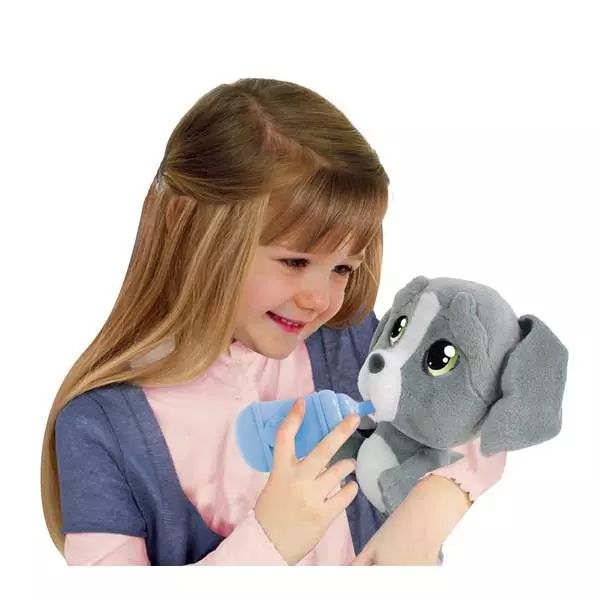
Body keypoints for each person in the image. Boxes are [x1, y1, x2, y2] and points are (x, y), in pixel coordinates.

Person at [40, 78, 506, 566]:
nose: (319, 300)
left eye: (343, 269)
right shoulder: (101, 427)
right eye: (294, 261)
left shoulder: (350, 347)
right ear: (184, 223)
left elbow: (486, 403)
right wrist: (268, 542)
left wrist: (429, 511)